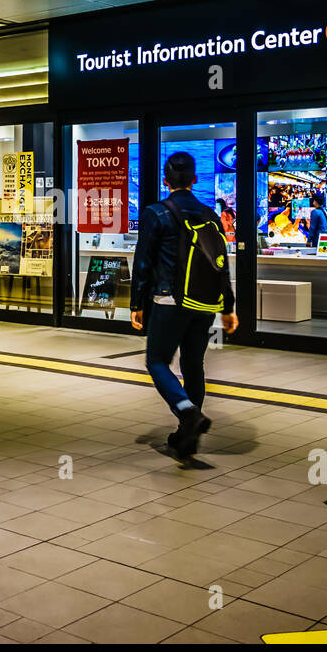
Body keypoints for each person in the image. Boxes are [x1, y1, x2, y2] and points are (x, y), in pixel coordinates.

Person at [131, 152, 238, 460]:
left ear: (166, 181)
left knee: (157, 361)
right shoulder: (209, 213)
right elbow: (221, 264)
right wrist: (227, 307)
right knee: (194, 365)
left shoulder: (156, 213)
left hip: (169, 300)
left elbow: (143, 261)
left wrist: (137, 302)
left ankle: (186, 412)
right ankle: (187, 439)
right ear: (194, 179)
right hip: (203, 302)